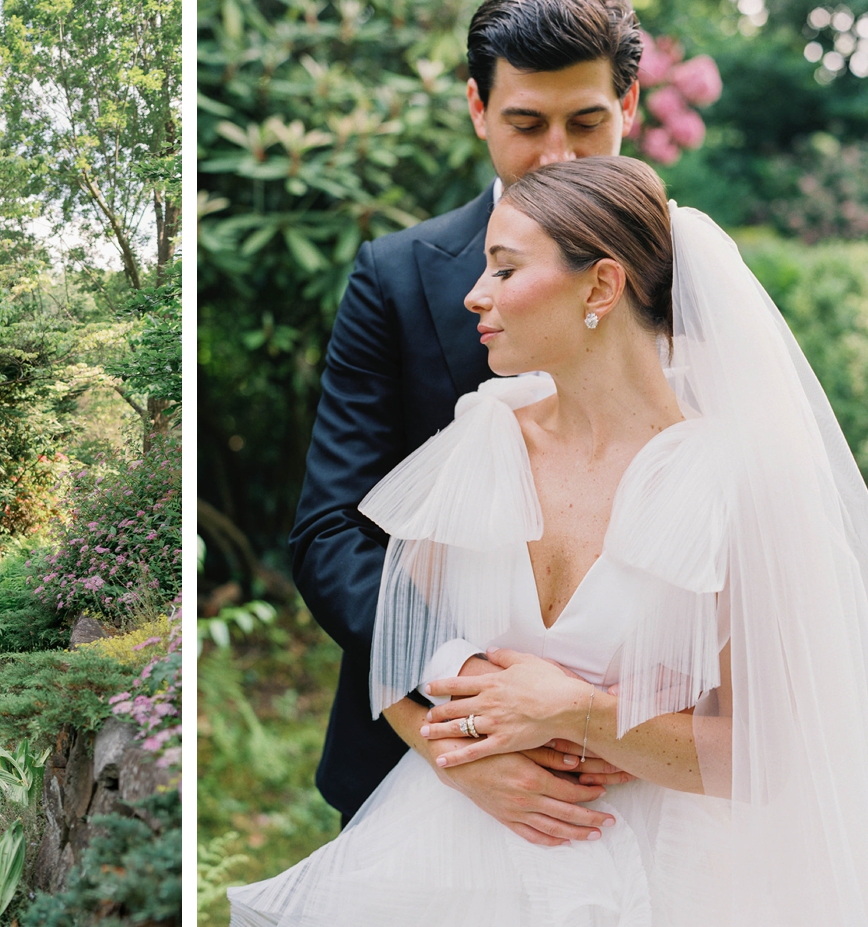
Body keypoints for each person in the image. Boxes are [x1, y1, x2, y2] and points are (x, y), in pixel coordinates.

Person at [232, 155, 868, 924]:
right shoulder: (485, 435)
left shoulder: (736, 483)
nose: (477, 295)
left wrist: (577, 712)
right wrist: (455, 757)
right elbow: (398, 647)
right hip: (451, 854)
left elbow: (764, 755)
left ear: (601, 287)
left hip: (661, 873)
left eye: (505, 270)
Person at [291, 0, 644, 836]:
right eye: (527, 123)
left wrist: (631, 713)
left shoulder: (697, 282)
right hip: (420, 762)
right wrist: (470, 708)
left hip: (634, 782)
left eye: (587, 122)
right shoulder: (398, 274)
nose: (557, 156)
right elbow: (330, 531)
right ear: (478, 109)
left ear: (629, 108)